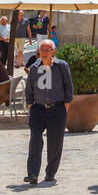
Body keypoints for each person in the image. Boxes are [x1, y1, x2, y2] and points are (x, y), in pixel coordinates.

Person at [24, 39, 73, 185]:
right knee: (35, 141)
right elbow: (29, 89)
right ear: (38, 51)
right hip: (38, 109)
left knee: (55, 142)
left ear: (53, 52)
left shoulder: (62, 66)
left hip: (57, 109)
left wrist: (66, 106)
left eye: (47, 50)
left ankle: (50, 173)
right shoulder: (34, 68)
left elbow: (68, 87)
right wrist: (30, 105)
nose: (44, 53)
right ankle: (32, 173)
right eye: (42, 50)